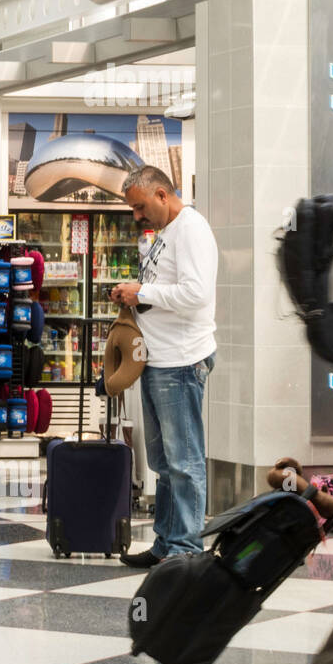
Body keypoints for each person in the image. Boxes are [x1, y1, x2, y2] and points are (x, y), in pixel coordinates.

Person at [112, 165, 218, 569]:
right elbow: (165, 289)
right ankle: (166, 543)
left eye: (140, 208)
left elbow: (196, 293)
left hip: (181, 360)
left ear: (161, 194)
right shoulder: (166, 234)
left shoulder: (191, 229)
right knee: (163, 462)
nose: (137, 216)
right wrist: (135, 295)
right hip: (157, 359)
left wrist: (142, 291)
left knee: (184, 460)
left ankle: (187, 550)